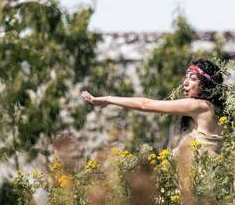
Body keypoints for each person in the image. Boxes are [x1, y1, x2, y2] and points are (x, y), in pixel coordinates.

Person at [81, 58, 225, 156]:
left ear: (206, 85)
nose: (185, 83)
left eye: (193, 79)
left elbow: (145, 105)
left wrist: (108, 99)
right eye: (186, 77)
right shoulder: (218, 109)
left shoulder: (198, 105)